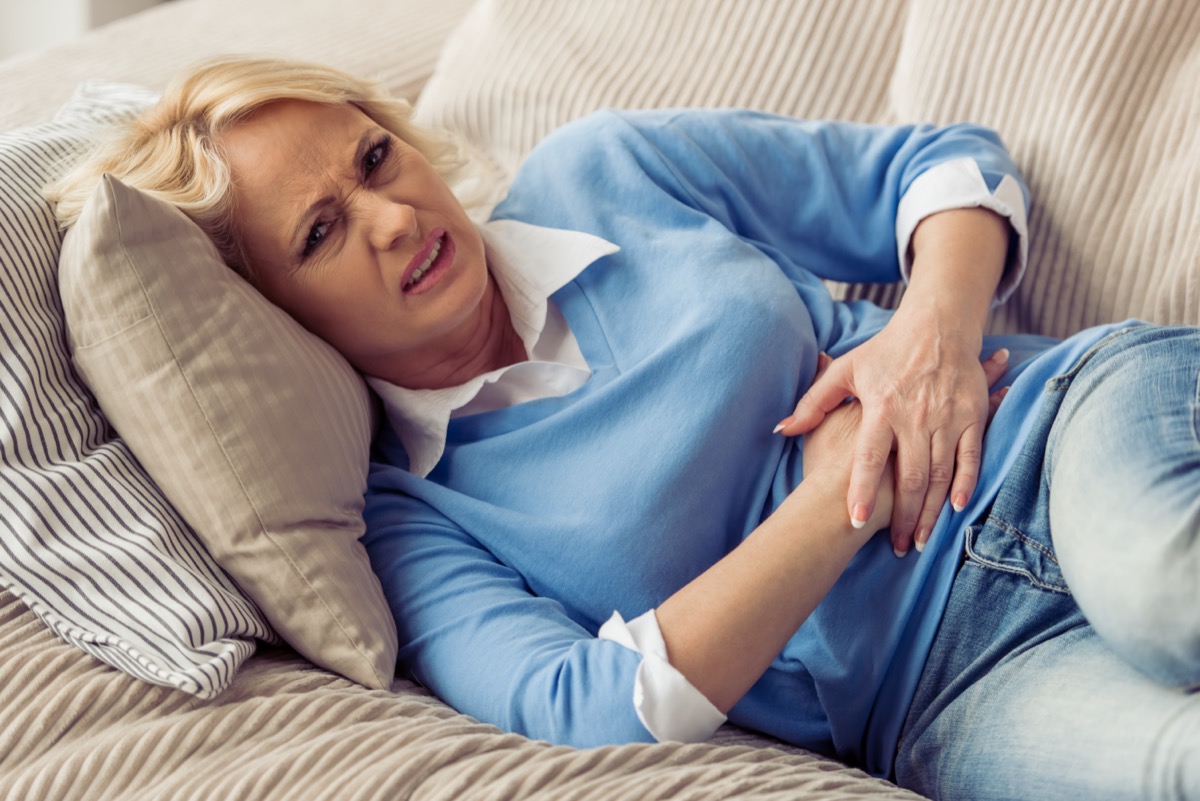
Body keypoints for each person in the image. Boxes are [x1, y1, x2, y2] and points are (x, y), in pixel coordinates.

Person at [48, 57, 1199, 801]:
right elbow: (590, 706)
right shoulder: (405, 523)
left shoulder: (604, 171)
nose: (396, 220)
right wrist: (830, 507)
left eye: (374, 159)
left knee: (1167, 593)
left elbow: (943, 168)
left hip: (1052, 436)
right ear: (274, 317)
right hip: (943, 694)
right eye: (322, 233)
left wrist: (931, 339)